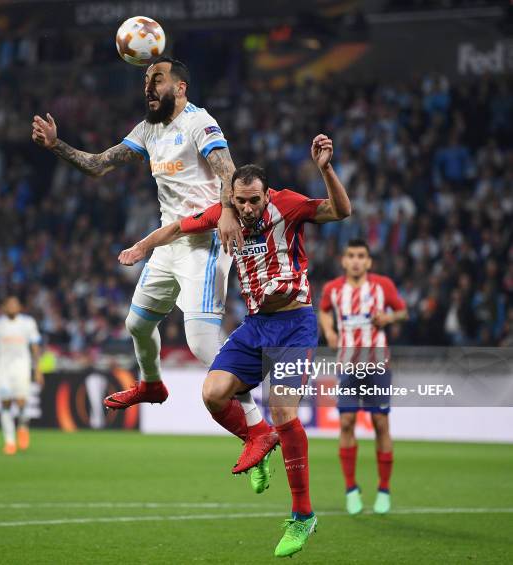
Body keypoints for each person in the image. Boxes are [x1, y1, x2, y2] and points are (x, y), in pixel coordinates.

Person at [32, 56, 273, 492]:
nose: (148, 86)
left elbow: (229, 172)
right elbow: (99, 164)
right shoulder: (147, 130)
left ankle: (257, 427)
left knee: (202, 346)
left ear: (180, 87)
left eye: (156, 79)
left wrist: (226, 215)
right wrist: (56, 145)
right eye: (145, 79)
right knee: (136, 323)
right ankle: (151, 383)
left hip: (202, 243)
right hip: (167, 242)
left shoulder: (200, 122)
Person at [119, 134, 351, 558]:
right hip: (257, 324)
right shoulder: (225, 216)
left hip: (295, 324)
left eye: (253, 201)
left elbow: (341, 210)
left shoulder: (289, 206)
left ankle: (303, 515)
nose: (247, 209)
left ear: (267, 194)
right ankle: (255, 441)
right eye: (240, 201)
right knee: (211, 393)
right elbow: (176, 226)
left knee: (283, 411)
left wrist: (326, 170)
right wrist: (141, 246)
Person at [318, 239, 408, 515]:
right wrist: (330, 331)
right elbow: (322, 310)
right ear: (344, 261)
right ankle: (351, 489)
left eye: (361, 256)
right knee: (346, 422)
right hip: (347, 365)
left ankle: (383, 489)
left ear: (368, 262)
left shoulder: (383, 286)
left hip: (377, 365)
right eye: (351, 256)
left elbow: (403, 311)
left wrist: (389, 319)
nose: (356, 260)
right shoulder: (332, 289)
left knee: (381, 423)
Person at [0, 296, 43, 455]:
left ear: (19, 307)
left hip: (22, 367)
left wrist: (38, 369)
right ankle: (9, 442)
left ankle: (23, 427)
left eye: (15, 304)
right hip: (3, 369)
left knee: (22, 402)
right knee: (5, 403)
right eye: (9, 305)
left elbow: (35, 347)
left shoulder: (28, 323)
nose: (12, 307)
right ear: (4, 307)